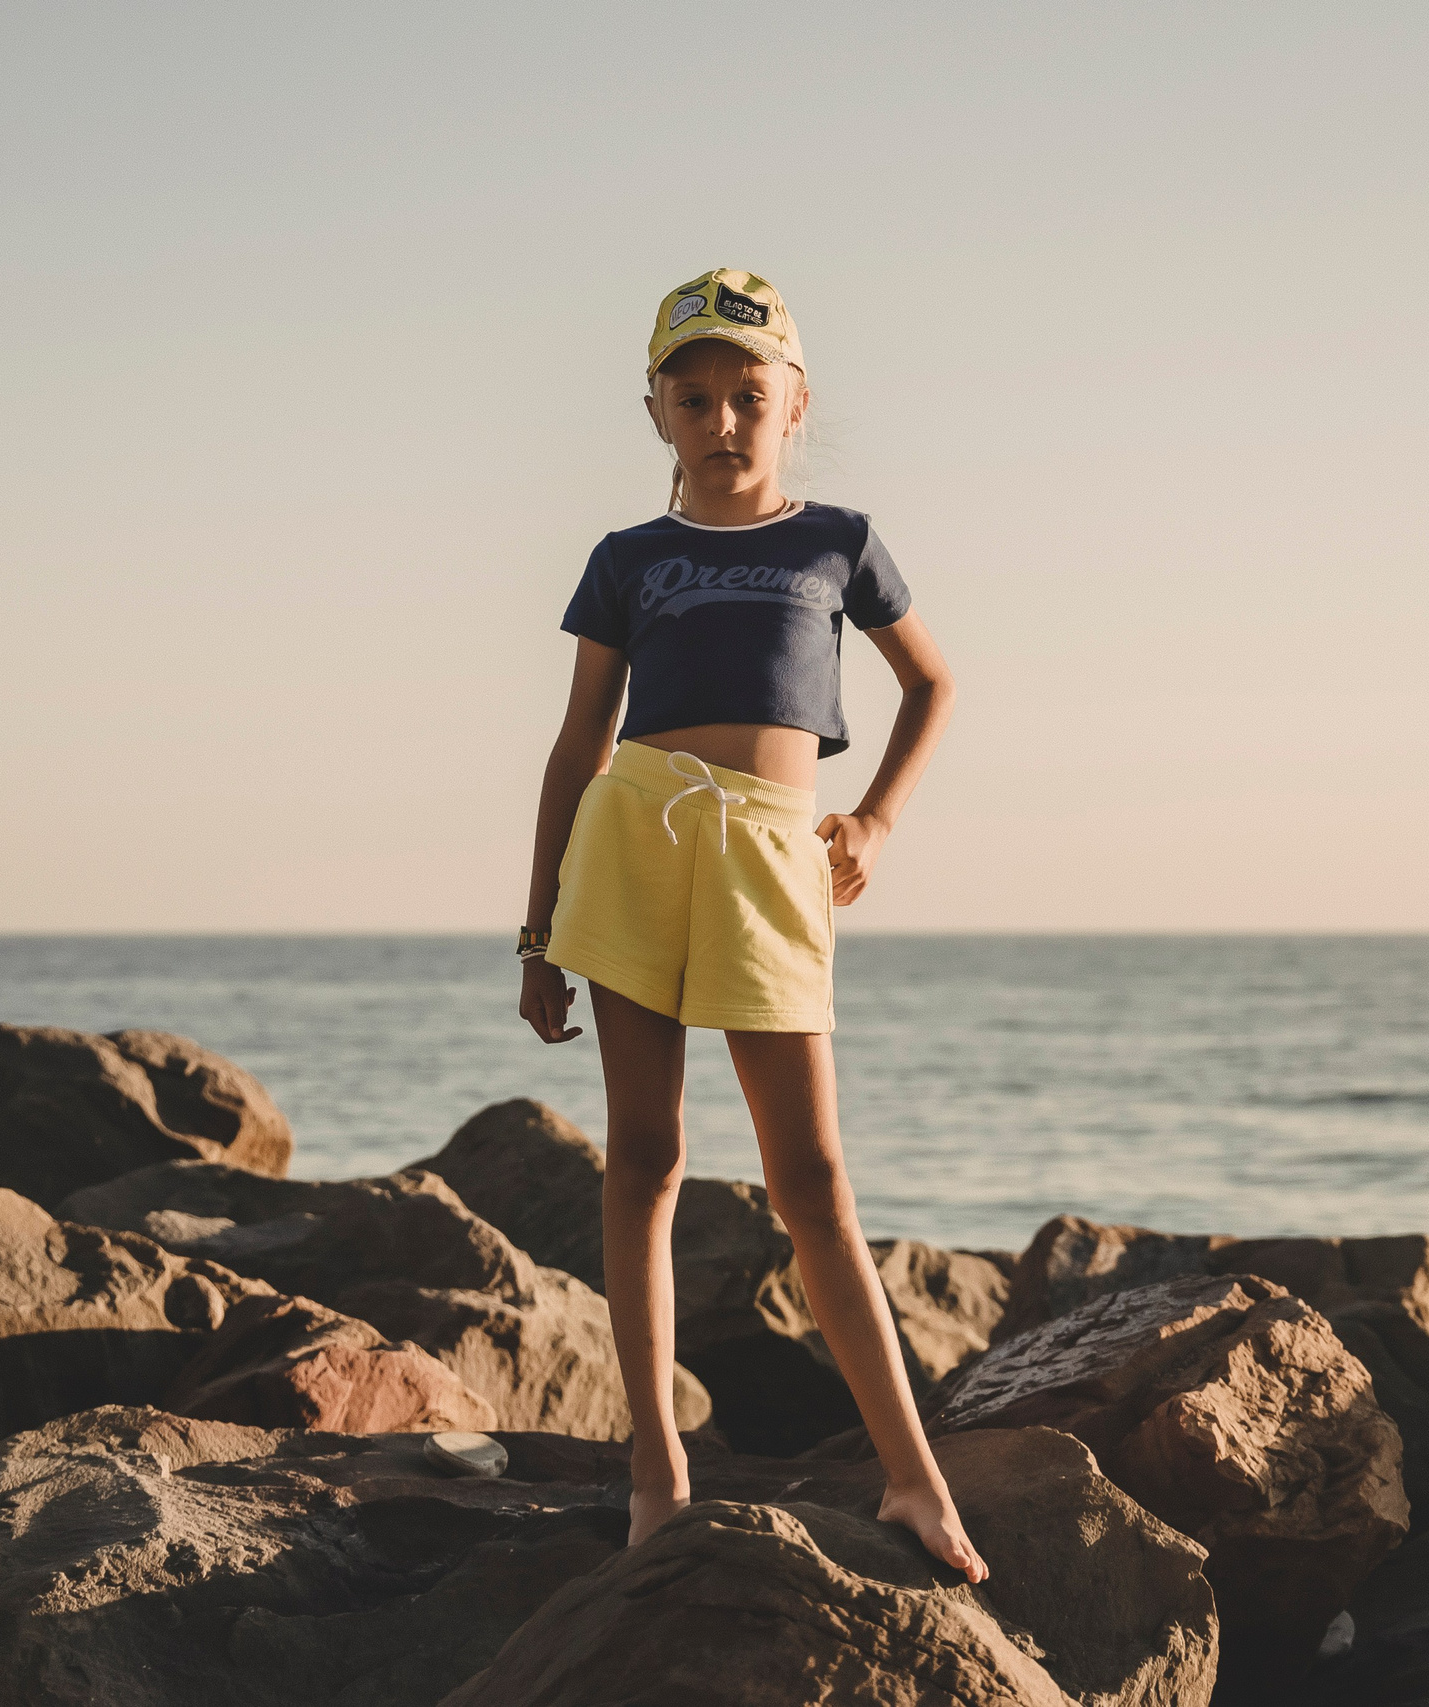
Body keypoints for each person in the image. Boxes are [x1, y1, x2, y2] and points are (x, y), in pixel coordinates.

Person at [514, 268, 979, 1579]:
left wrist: (876, 821)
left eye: (749, 397)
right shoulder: (627, 563)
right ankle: (656, 1470)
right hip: (635, 844)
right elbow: (574, 748)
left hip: (775, 862)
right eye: (695, 396)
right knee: (645, 1158)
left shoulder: (838, 541)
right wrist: (536, 929)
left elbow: (934, 683)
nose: (724, 419)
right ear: (658, 412)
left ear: (795, 406)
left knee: (813, 1180)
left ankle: (912, 1478)